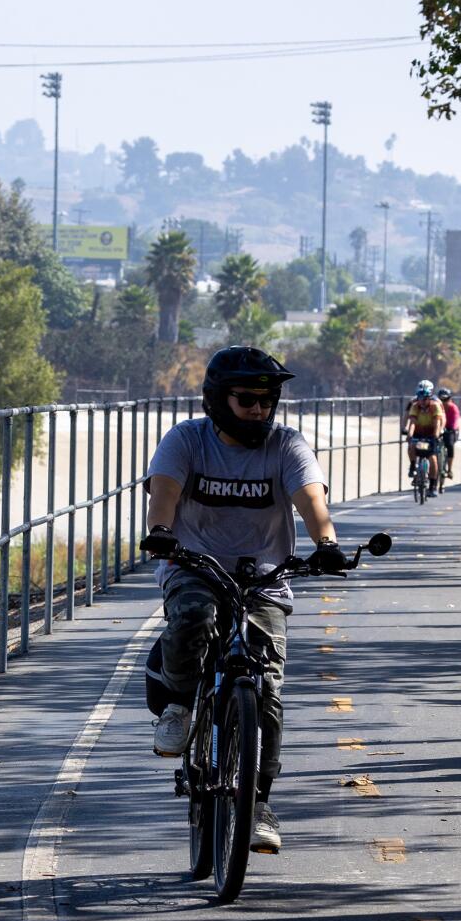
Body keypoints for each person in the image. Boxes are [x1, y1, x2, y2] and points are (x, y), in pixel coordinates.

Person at [140, 346, 341, 855]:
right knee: (193, 616)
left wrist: (327, 545)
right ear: (217, 399)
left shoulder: (286, 445)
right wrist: (161, 532)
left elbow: (312, 499)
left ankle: (258, 804)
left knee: (267, 689)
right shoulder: (186, 440)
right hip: (195, 565)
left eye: (267, 400)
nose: (259, 410)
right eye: (247, 399)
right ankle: (181, 705)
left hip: (264, 579)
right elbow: (163, 492)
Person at [402, 381, 447, 495]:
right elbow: (411, 421)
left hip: (431, 432)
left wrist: (437, 435)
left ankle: (432, 486)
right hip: (418, 431)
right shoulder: (414, 404)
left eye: (425, 398)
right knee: (411, 445)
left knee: (433, 459)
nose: (422, 401)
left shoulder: (436, 404)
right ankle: (413, 465)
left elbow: (438, 422)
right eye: (420, 397)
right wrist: (408, 433)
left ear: (430, 397)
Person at [439, 387, 461, 480]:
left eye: (446, 399)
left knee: (449, 445)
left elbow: (455, 422)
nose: (444, 402)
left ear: (450, 399)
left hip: (451, 430)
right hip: (439, 429)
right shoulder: (437, 407)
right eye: (441, 399)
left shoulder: (453, 408)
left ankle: (449, 469)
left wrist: (451, 428)